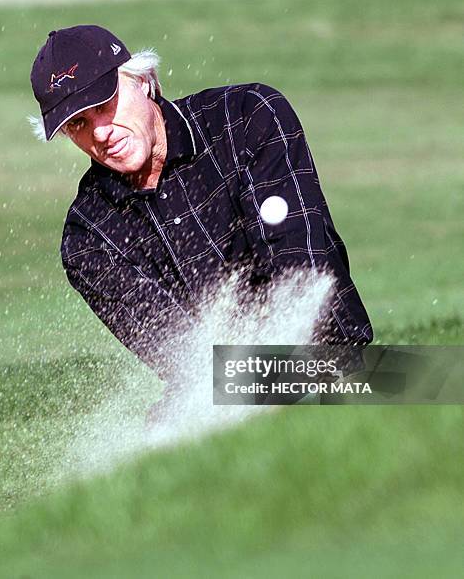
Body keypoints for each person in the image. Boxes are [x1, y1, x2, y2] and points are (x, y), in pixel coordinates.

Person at [30, 24, 373, 387]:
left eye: (104, 105)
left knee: (428, 384)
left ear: (143, 81)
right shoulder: (88, 238)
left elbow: (303, 281)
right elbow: (183, 359)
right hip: (230, 399)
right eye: (78, 123)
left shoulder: (246, 118)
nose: (99, 133)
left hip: (342, 372)